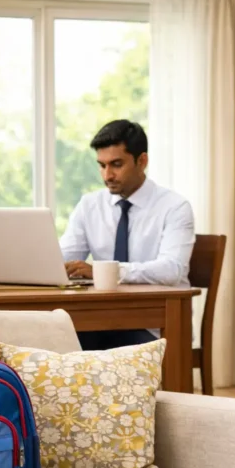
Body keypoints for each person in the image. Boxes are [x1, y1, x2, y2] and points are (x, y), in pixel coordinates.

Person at [59, 119, 196, 351]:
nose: (107, 175)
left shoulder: (174, 207)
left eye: (116, 164)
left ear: (142, 161)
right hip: (98, 322)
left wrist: (106, 272)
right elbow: (63, 259)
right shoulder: (89, 205)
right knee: (57, 343)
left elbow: (173, 269)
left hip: (157, 328)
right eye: (101, 165)